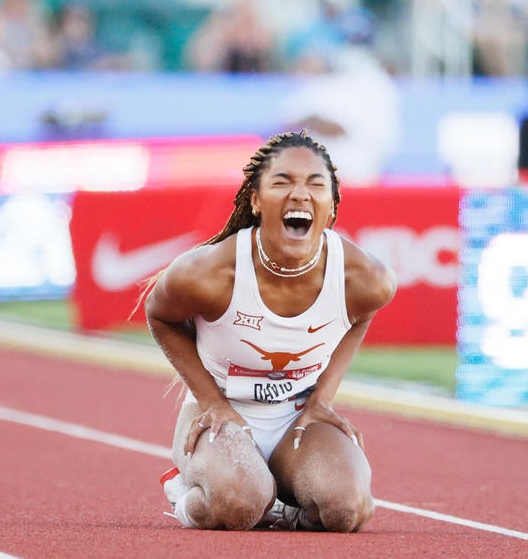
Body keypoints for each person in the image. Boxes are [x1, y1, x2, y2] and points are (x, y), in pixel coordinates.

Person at [144, 131, 397, 532]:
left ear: (331, 206)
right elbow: (158, 314)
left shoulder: (364, 278)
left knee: (347, 511)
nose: (300, 194)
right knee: (239, 506)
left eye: (316, 184)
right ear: (257, 200)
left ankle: (277, 500)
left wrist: (322, 398)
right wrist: (210, 400)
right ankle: (189, 496)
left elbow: (360, 317)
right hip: (223, 413)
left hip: (296, 417)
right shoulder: (211, 271)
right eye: (282, 182)